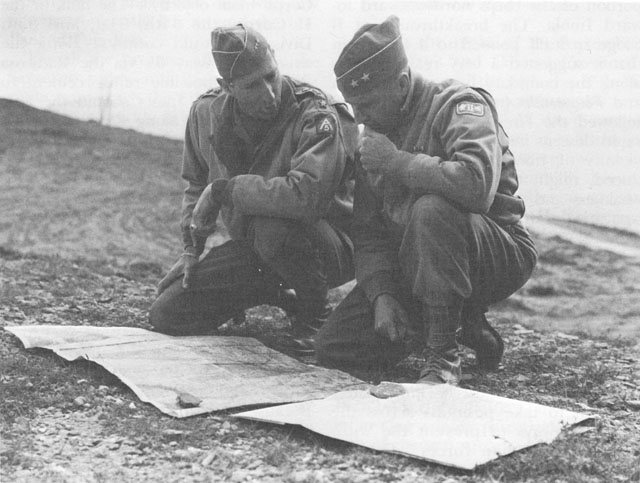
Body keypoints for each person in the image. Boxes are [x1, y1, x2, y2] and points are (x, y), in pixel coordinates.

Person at [315, 16, 538, 384]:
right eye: (353, 106)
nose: (359, 117)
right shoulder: (373, 136)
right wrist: (382, 295)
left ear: (401, 83)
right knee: (336, 348)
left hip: (496, 254)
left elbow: (476, 185)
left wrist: (396, 162)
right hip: (422, 261)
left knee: (431, 209)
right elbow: (369, 233)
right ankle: (465, 323)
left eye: (367, 104)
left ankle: (442, 355)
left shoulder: (459, 105)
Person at [149, 24, 358, 354]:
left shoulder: (315, 112)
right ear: (227, 86)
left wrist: (226, 191)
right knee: (168, 314)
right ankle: (278, 294)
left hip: (330, 246)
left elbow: (306, 198)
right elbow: (195, 184)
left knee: (271, 223)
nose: (270, 92)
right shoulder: (205, 113)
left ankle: (315, 316)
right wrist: (192, 249)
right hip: (259, 247)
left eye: (270, 75)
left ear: (276, 59)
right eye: (252, 85)